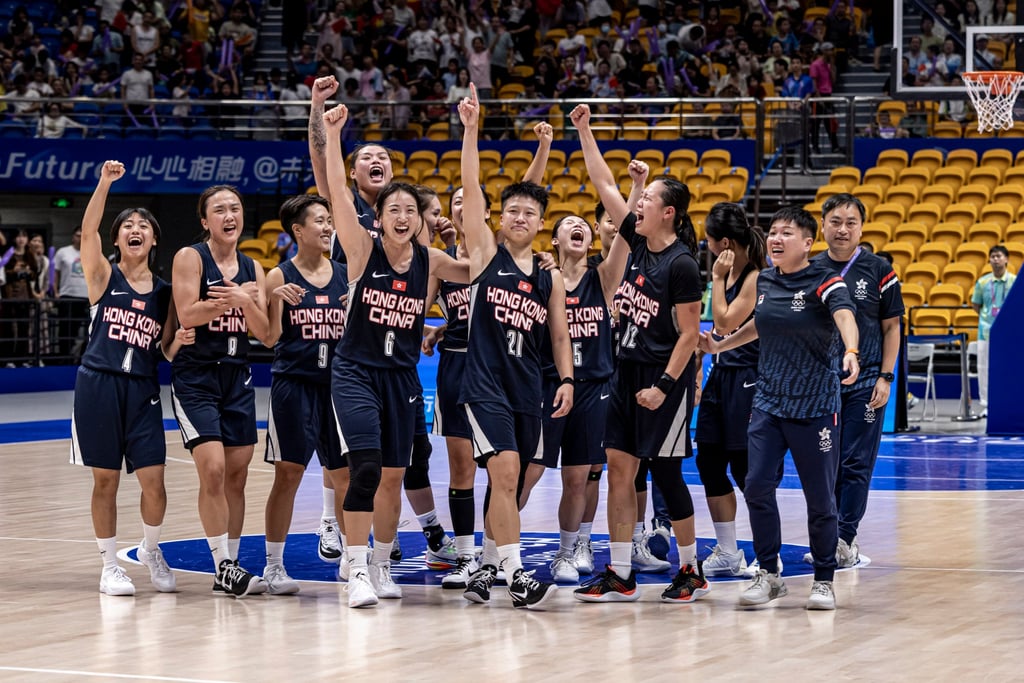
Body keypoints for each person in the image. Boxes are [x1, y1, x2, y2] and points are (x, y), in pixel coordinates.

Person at [321, 102, 469, 608]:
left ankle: (382, 562)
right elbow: (338, 194)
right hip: (356, 372)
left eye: (410, 210)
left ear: (420, 221)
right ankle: (357, 567)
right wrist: (332, 132)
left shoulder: (433, 261)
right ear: (378, 219)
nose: (402, 217)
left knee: (392, 475)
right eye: (393, 210)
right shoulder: (362, 251)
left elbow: (483, 270)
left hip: (403, 377)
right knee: (364, 468)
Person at [570, 102, 707, 604]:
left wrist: (665, 387)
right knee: (620, 470)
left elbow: (689, 335)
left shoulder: (682, 264)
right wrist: (585, 130)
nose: (638, 203)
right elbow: (605, 185)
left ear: (667, 212)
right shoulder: (638, 242)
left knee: (667, 473)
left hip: (660, 379)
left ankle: (690, 568)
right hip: (623, 374)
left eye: (648, 198)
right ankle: (621, 571)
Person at [700, 206, 860, 611]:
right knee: (756, 486)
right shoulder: (767, 280)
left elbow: (844, 314)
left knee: (820, 498)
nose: (775, 239)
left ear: (807, 243)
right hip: (769, 403)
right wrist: (721, 345)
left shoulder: (825, 280)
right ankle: (769, 574)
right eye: (772, 232)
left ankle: (824, 579)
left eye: (786, 233)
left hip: (815, 407)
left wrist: (852, 350)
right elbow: (760, 323)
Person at [456, 85, 573, 609]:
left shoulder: (548, 279)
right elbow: (471, 184)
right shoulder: (484, 254)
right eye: (514, 212)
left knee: (516, 486)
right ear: (500, 220)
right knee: (503, 473)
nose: (521, 218)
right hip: (484, 387)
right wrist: (472, 128)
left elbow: (560, 335)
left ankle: (484, 566)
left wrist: (567, 379)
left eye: (530, 212)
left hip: (530, 387)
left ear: (540, 222)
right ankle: (515, 574)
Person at [70, 160, 189, 596]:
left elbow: (166, 348)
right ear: (118, 238)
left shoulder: (164, 293)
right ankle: (108, 566)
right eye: (127, 225)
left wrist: (180, 342)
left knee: (154, 480)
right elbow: (88, 233)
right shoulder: (104, 276)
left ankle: (151, 549)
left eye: (143, 225)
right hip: (98, 385)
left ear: (154, 239)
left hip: (142, 389)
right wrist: (103, 182)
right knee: (106, 480)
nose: (135, 229)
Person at [526, 179, 632, 583]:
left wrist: (635, 187)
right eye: (567, 223)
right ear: (553, 240)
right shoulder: (540, 279)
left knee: (579, 476)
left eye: (582, 225)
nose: (578, 226)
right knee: (529, 471)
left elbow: (625, 230)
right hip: (548, 384)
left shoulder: (603, 279)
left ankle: (567, 552)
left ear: (589, 239)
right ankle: (493, 549)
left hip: (594, 386)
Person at [171, 184, 270, 598]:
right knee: (211, 469)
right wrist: (235, 300)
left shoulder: (253, 268)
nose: (230, 216)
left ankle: (228, 561)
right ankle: (223, 564)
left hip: (237, 376)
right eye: (220, 210)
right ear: (205, 221)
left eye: (235, 208)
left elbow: (265, 334)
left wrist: (245, 302)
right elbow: (187, 314)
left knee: (237, 474)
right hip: (197, 376)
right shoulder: (190, 257)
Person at [260, 194, 349, 595]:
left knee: (347, 476)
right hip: (294, 385)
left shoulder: (346, 274)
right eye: (320, 221)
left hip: (338, 386)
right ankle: (274, 566)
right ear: (298, 231)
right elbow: (269, 338)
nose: (328, 227)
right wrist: (274, 304)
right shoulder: (279, 276)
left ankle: (354, 559)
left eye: (329, 220)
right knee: (288, 475)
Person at [812, 194, 903, 569]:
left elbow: (892, 327)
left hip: (865, 382)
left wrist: (885, 376)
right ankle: (827, 535)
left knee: (854, 463)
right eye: (835, 221)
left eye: (850, 222)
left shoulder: (879, 269)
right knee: (823, 464)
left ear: (862, 227)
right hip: (818, 386)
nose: (843, 228)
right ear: (822, 226)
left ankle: (845, 539)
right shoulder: (809, 268)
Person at [695, 202, 767, 578]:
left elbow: (723, 320)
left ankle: (767, 552)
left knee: (745, 469)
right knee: (709, 462)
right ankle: (728, 551)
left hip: (748, 378)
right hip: (720, 376)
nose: (706, 247)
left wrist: (718, 278)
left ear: (724, 242)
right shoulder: (732, 273)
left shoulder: (754, 276)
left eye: (708, 241)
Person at [971, 244, 1016, 414]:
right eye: (993, 256)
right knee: (983, 368)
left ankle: (1009, 401)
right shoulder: (982, 282)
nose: (996, 259)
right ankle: (986, 404)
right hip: (986, 331)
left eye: (999, 256)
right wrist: (987, 317)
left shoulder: (1014, 281)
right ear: (989, 260)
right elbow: (976, 305)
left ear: (1006, 259)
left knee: (1009, 367)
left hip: (1008, 334)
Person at [53, 225, 90, 361]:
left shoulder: (91, 252)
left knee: (85, 331)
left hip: (86, 297)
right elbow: (55, 274)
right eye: (78, 235)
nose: (80, 238)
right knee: (65, 329)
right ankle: (64, 358)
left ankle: (80, 358)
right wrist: (55, 291)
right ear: (73, 237)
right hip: (67, 295)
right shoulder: (63, 252)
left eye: (82, 236)